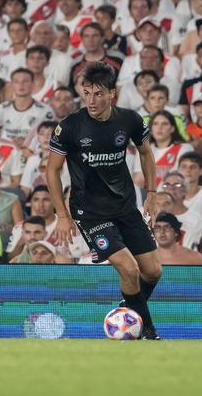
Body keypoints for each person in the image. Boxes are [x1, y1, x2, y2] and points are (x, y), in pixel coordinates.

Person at [47, 61, 162, 340]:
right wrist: (63, 215)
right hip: (90, 213)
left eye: (98, 94)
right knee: (129, 269)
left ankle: (129, 307)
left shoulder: (130, 120)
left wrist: (153, 193)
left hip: (125, 206)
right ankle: (146, 331)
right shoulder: (70, 127)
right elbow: (51, 170)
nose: (91, 100)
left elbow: (145, 154)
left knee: (153, 272)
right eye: (86, 93)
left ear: (113, 94)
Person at [160, 171, 202, 249]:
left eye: (177, 185)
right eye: (167, 184)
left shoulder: (195, 219)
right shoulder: (156, 217)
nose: (171, 188)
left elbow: (197, 248)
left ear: (185, 190)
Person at [177, 151, 202, 227]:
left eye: (193, 167)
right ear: (178, 170)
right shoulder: (170, 195)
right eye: (184, 166)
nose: (188, 170)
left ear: (201, 171)